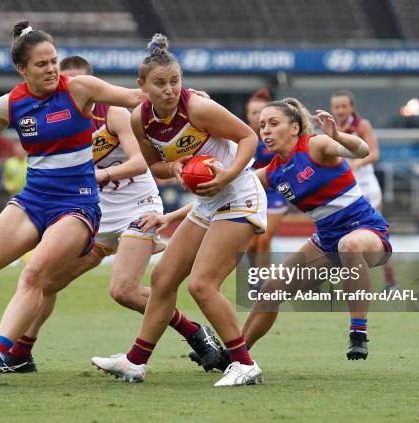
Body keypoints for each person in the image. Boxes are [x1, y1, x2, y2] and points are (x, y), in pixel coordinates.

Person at [0, 20, 149, 388]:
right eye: (42, 64)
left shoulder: (79, 88)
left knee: (34, 274)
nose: (52, 68)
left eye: (54, 60)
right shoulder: (9, 104)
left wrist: (184, 97)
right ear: (22, 70)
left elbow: (135, 98)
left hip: (77, 205)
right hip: (33, 200)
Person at [1, 56, 223, 374]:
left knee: (124, 291)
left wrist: (98, 177)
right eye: (65, 83)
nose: (70, 89)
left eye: (78, 83)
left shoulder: (115, 113)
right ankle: (21, 353)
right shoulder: (56, 121)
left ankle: (196, 335)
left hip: (138, 206)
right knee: (46, 281)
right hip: (94, 214)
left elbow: (138, 162)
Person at [91, 34, 267, 387]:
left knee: (202, 285)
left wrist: (227, 174)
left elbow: (249, 137)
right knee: (163, 279)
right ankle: (135, 362)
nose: (170, 90)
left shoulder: (198, 108)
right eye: (160, 83)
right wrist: (173, 169)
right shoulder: (140, 119)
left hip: (238, 193)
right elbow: (151, 165)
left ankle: (244, 363)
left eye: (175, 81)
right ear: (141, 86)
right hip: (206, 202)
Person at [241, 98, 392, 360]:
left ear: (295, 128)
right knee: (271, 289)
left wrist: (339, 137)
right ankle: (236, 353)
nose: (265, 130)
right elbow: (228, 194)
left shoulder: (316, 145)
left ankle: (358, 332)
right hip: (326, 241)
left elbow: (363, 151)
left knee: (350, 245)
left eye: (274, 123)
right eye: (262, 124)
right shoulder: (272, 173)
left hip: (368, 231)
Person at [330, 90, 398, 292]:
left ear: (351, 107)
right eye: (336, 106)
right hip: (346, 190)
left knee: (376, 234)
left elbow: (375, 153)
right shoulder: (330, 128)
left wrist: (357, 163)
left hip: (367, 187)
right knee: (343, 237)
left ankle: (390, 281)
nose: (340, 110)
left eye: (344, 106)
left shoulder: (361, 125)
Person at [245, 89, 288, 275]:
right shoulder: (241, 135)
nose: (258, 117)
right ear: (248, 115)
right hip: (250, 192)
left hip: (274, 192)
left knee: (264, 239)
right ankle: (255, 275)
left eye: (261, 112)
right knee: (251, 243)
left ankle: (261, 283)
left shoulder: (276, 136)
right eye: (254, 113)